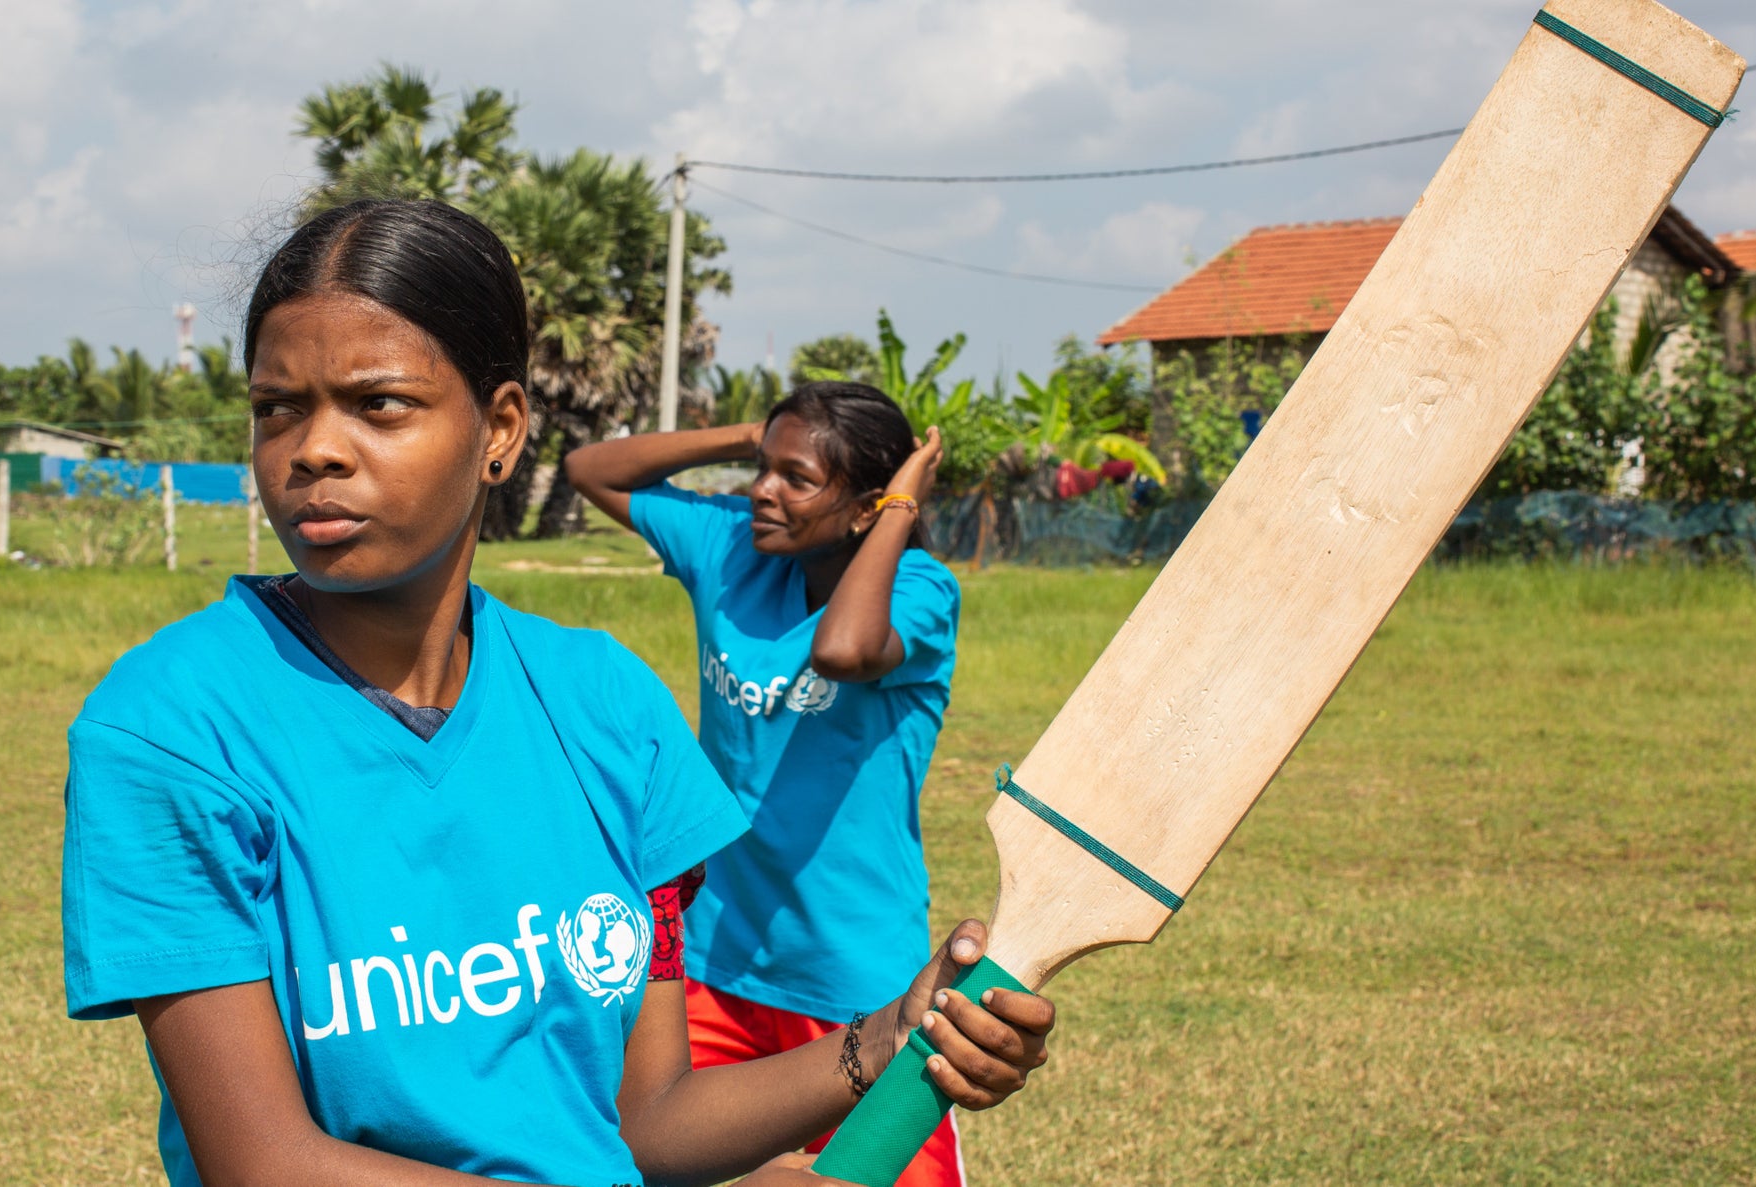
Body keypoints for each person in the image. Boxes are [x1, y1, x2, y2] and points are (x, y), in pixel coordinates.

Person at [59, 198, 1052, 1187]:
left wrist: (882, 1039)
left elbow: (650, 1123)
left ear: (499, 429)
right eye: (278, 406)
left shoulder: (607, 706)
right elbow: (264, 1164)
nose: (314, 448)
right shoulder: (170, 728)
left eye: (379, 404)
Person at [565, 380, 967, 1185]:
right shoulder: (731, 550)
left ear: (866, 508)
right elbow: (592, 468)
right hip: (719, 959)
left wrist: (897, 512)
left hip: (859, 976)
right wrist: (755, 434)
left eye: (797, 478)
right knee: (656, 1163)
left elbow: (844, 651)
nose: (763, 492)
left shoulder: (919, 591)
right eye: (762, 468)